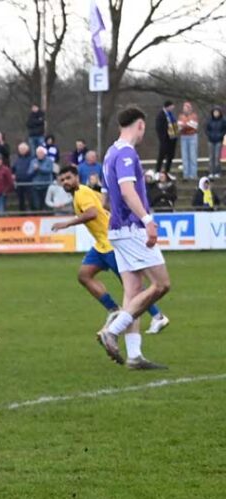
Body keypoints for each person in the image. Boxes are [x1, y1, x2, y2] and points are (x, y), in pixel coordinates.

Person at [95, 107, 172, 369]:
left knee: (133, 291)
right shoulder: (127, 153)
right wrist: (148, 221)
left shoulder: (109, 154)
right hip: (132, 228)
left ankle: (135, 356)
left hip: (117, 230)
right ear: (140, 125)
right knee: (161, 285)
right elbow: (128, 191)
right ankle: (112, 331)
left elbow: (105, 199)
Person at [52, 165, 168, 335]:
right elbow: (104, 205)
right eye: (62, 180)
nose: (65, 182)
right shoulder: (83, 192)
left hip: (111, 245)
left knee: (131, 286)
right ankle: (114, 310)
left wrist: (67, 223)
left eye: (68, 178)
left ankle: (158, 316)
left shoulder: (82, 193)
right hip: (101, 245)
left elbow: (92, 213)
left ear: (77, 177)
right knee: (84, 275)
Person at [177, 101, 199, 180]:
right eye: (184, 107)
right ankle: (186, 174)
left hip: (192, 136)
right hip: (183, 137)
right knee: (185, 156)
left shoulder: (194, 116)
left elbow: (193, 126)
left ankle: (193, 174)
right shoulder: (181, 116)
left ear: (189, 108)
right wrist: (186, 125)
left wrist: (184, 125)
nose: (184, 109)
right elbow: (179, 127)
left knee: (192, 156)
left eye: (186, 107)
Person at [154, 100, 178, 175]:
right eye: (171, 106)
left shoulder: (171, 115)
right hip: (165, 139)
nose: (173, 107)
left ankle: (167, 171)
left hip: (172, 138)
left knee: (170, 156)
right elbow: (159, 127)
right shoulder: (161, 115)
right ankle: (157, 171)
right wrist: (162, 137)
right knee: (162, 155)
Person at [29, 146, 54, 210]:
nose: (39, 155)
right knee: (37, 205)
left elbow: (49, 170)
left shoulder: (49, 161)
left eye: (41, 153)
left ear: (44, 153)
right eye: (38, 153)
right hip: (36, 187)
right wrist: (34, 170)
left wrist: (39, 169)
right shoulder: (33, 161)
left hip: (46, 186)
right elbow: (29, 173)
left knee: (47, 205)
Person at [12, 142, 35, 211]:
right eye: (20, 149)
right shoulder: (17, 159)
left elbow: (33, 170)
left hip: (29, 182)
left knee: (31, 199)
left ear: (27, 149)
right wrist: (13, 175)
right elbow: (13, 169)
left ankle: (34, 213)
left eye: (23, 149)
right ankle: (22, 214)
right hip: (19, 182)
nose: (21, 150)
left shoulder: (32, 159)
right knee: (21, 200)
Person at [205, 106, 225, 178]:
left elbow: (224, 130)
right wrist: (209, 135)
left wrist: (221, 135)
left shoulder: (223, 120)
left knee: (217, 157)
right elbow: (206, 129)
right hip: (211, 140)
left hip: (219, 140)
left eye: (217, 112)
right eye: (214, 112)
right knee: (211, 157)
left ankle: (217, 172)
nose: (216, 113)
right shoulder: (209, 120)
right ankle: (211, 172)